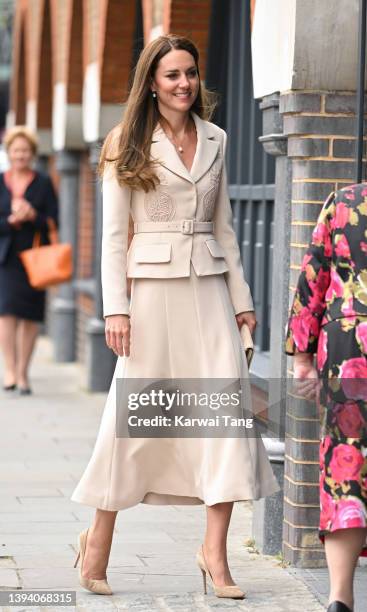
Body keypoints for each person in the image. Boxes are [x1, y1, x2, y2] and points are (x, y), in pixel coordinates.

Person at [71, 34, 279, 599]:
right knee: (135, 418)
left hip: (210, 289)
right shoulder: (126, 142)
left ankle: (214, 554)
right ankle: (98, 541)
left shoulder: (217, 138)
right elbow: (114, 238)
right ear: (152, 82)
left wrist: (243, 303)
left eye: (190, 73)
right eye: (172, 75)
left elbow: (226, 229)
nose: (184, 83)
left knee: (225, 415)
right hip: (151, 296)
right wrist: (117, 308)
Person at [285, 185, 367, 612]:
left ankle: (340, 597)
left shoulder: (345, 202)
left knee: (345, 465)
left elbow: (312, 278)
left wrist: (302, 355)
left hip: (349, 349)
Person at [0, 126, 58, 395]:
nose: (20, 155)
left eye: (25, 150)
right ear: (9, 153)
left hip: (36, 258)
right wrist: (10, 220)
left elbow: (53, 221)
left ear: (32, 154)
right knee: (7, 312)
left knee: (30, 316)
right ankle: (10, 370)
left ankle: (24, 372)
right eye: (16, 150)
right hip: (6, 257)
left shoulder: (43, 182)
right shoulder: (1, 181)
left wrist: (32, 215)